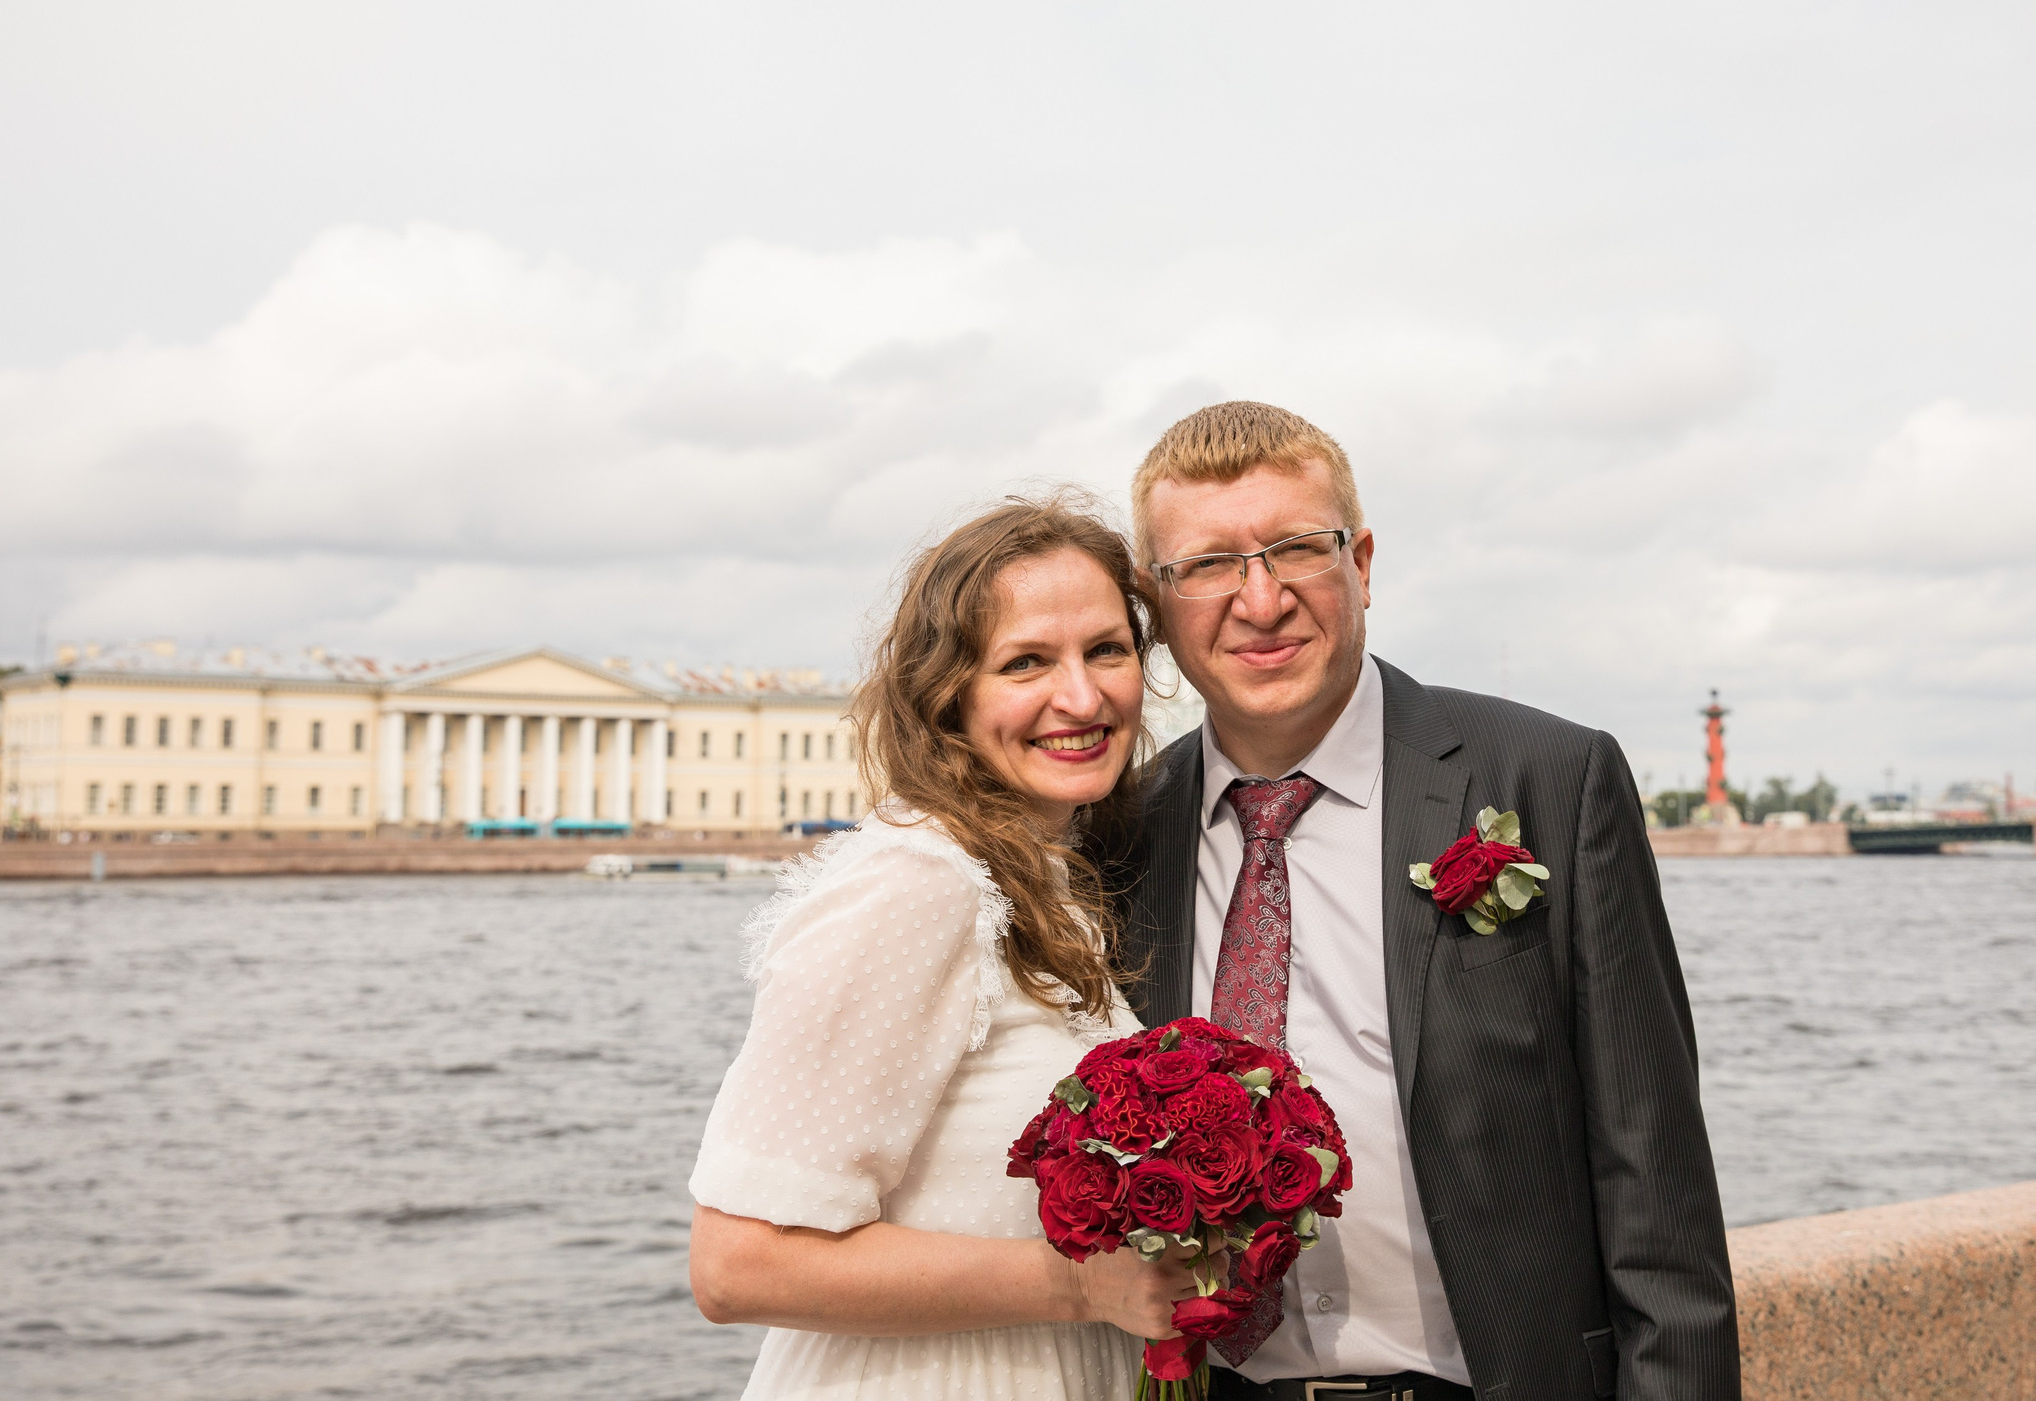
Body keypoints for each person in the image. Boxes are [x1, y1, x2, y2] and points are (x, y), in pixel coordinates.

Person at [1113, 402, 1741, 1401]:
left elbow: (1653, 1182)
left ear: (1361, 563)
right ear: (1155, 598)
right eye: (1209, 566)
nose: (1261, 599)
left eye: (1296, 550)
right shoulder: (1119, 835)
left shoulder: (1548, 779)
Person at [688, 494, 1197, 1400]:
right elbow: (740, 1263)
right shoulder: (918, 885)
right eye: (1026, 662)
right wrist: (1082, 1284)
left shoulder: (1041, 878)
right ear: (947, 692)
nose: (1080, 697)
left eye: (1106, 650)